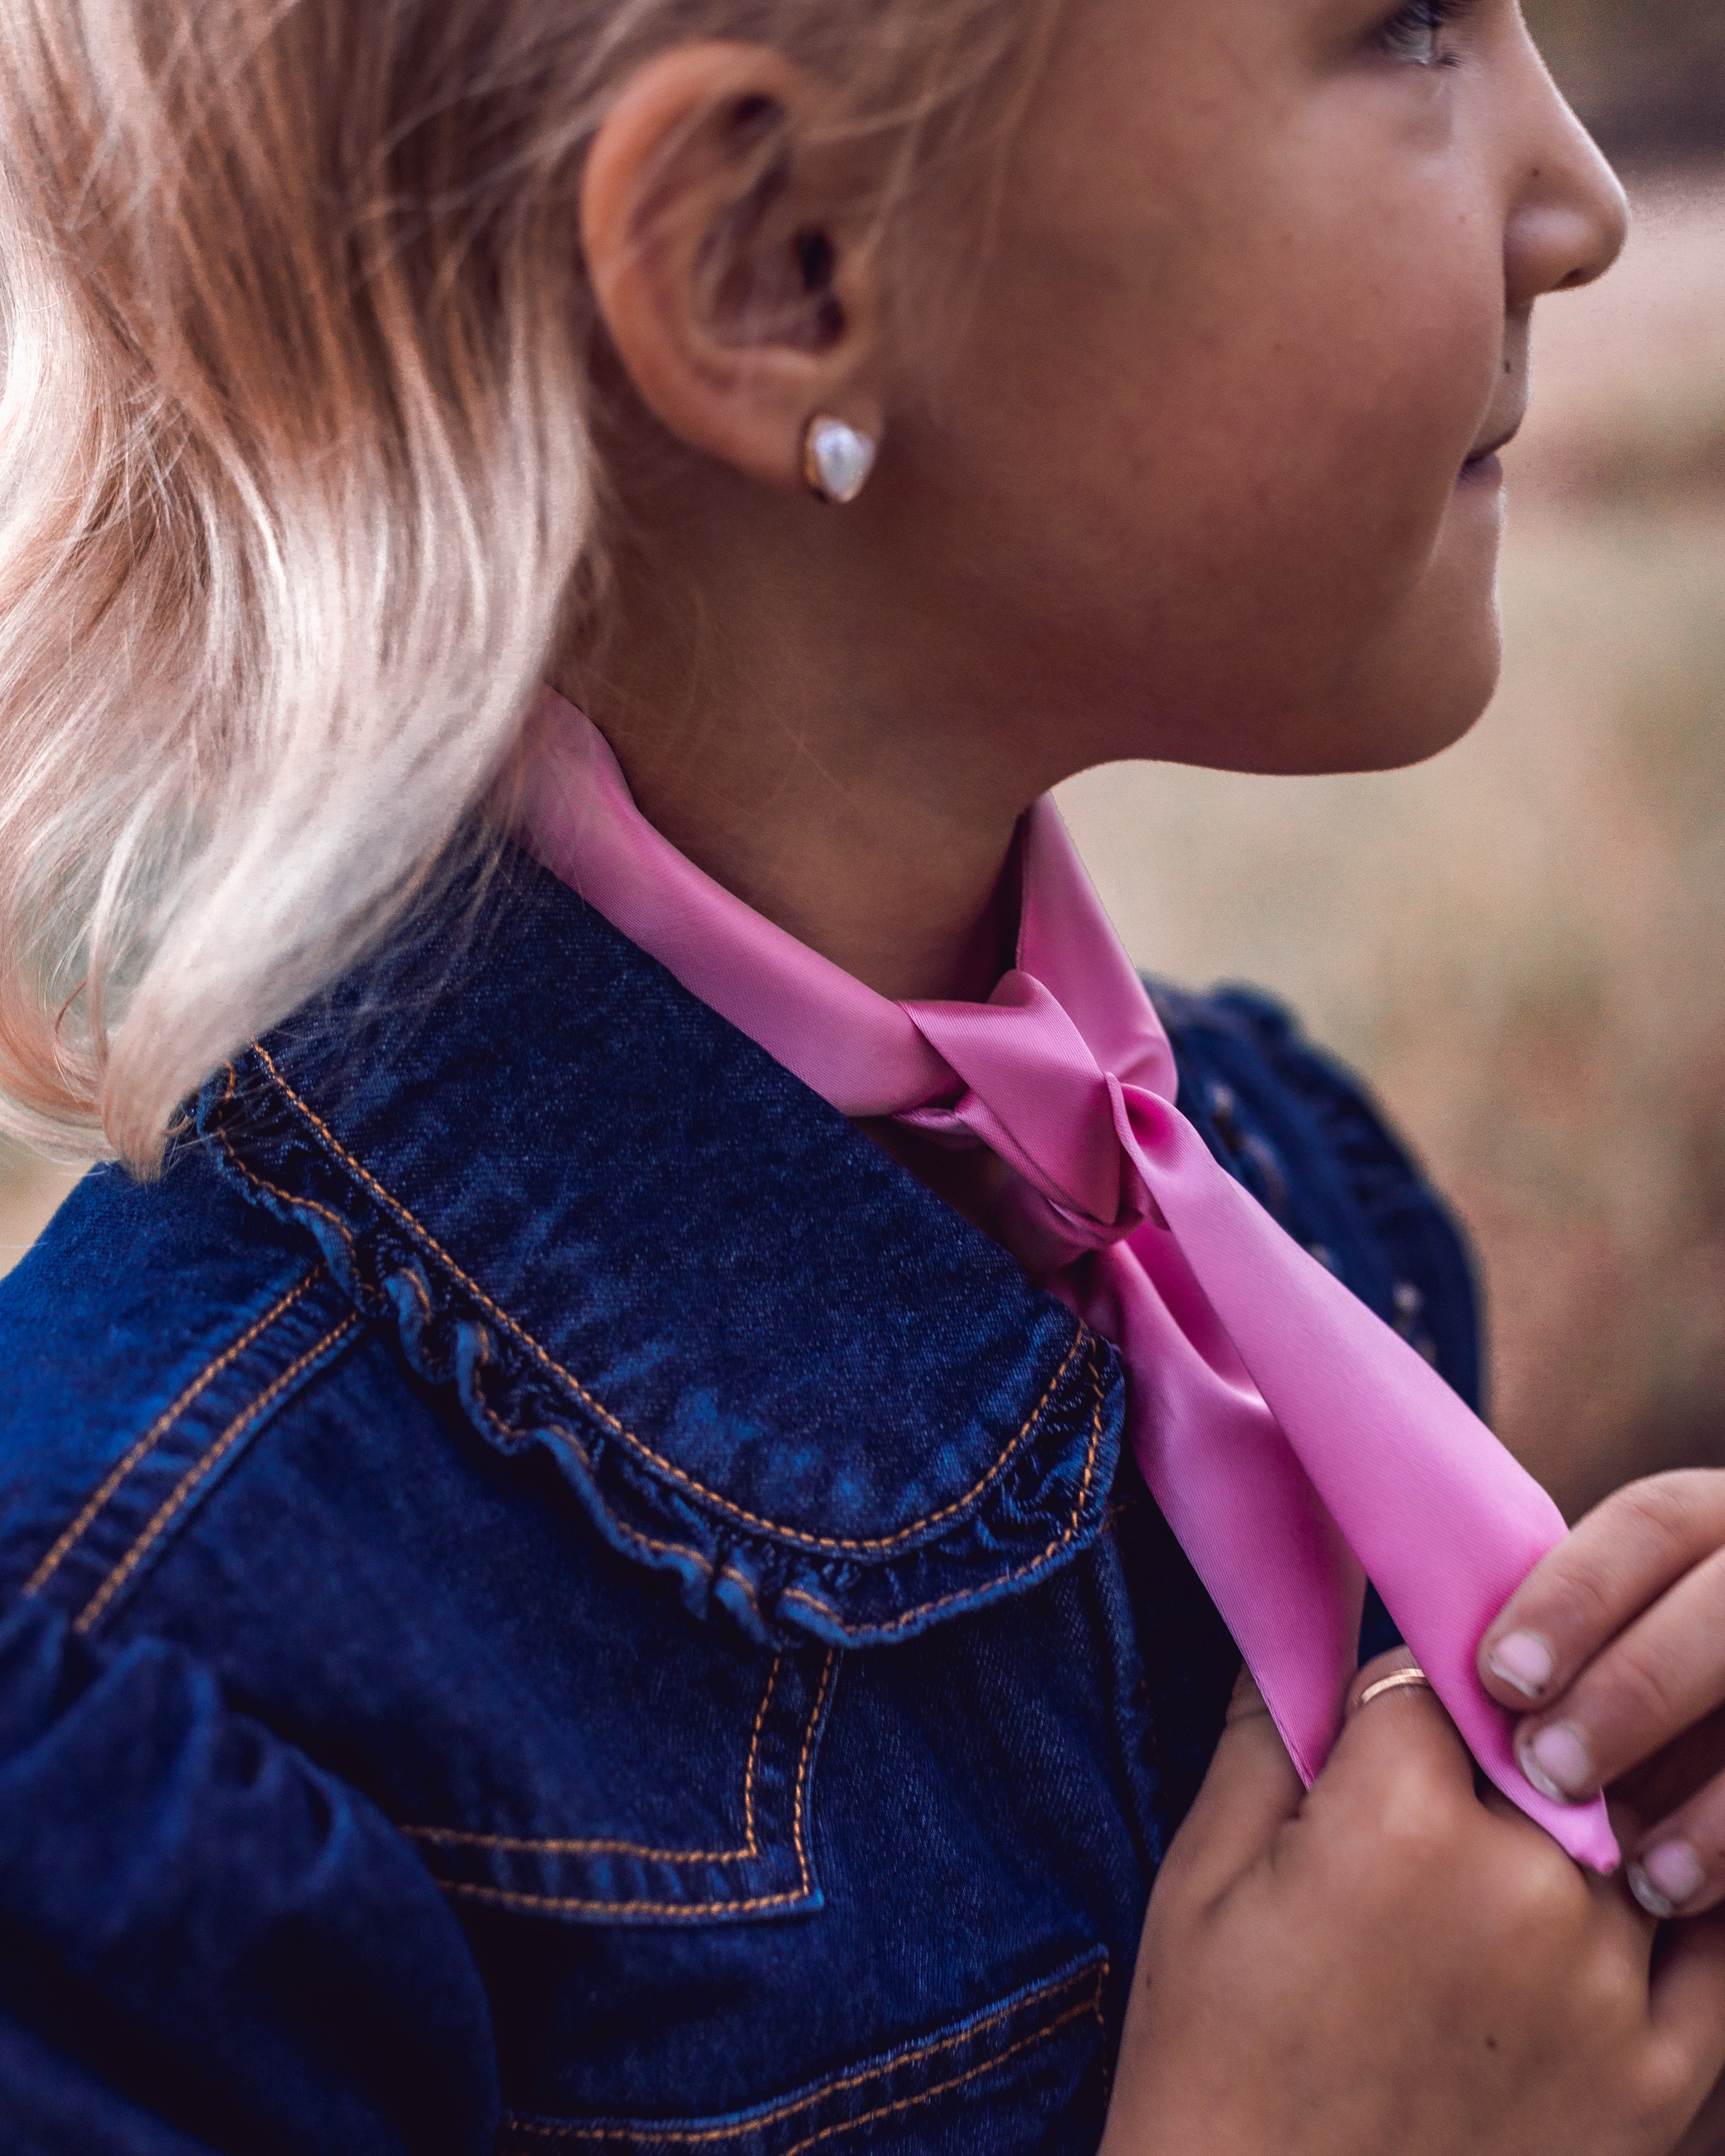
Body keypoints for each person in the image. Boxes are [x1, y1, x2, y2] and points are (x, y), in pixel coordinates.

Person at [0, 0, 1722, 2149]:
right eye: (1406, 27)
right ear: (770, 265)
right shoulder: (144, 1669)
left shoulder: (1299, 1206)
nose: (1581, 201)